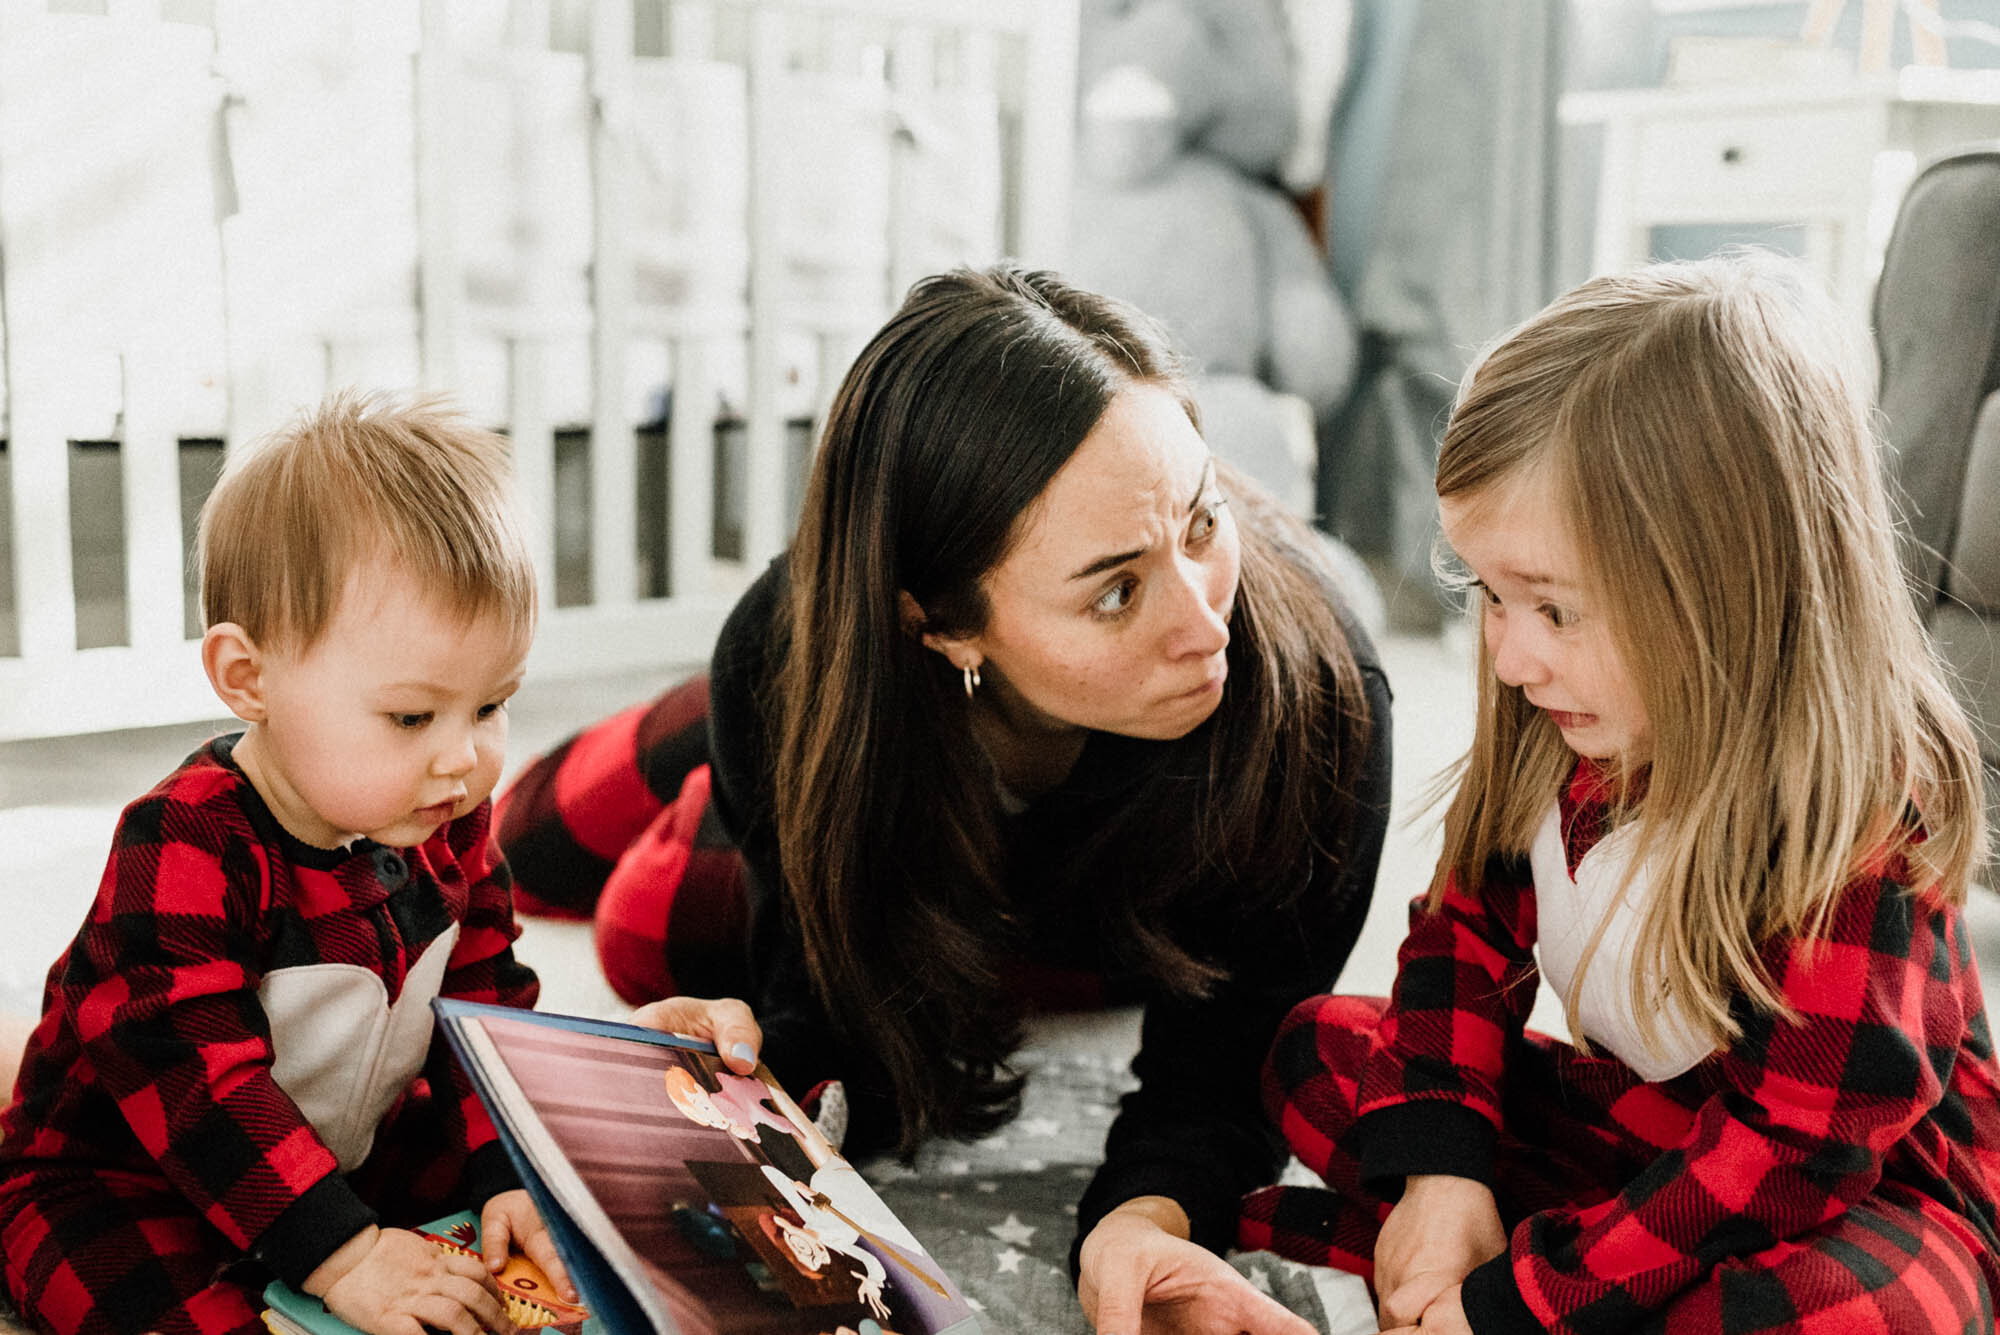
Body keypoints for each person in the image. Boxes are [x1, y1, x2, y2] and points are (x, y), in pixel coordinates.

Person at [496, 263, 1394, 1332]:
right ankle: (695, 741)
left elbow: (1225, 1064)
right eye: (1115, 591)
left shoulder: (1317, 702)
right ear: (941, 623)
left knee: (701, 939)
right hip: (858, 713)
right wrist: (749, 1070)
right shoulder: (786, 661)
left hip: (1084, 874)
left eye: (1202, 525)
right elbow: (832, 1012)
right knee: (572, 874)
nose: (1205, 628)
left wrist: (1143, 1224)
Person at [1243, 255, 2000, 1334]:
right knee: (1316, 1048)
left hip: (1862, 1199)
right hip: (1655, 1143)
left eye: (1552, 610)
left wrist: (1525, 1299)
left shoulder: (1860, 812)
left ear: (1726, 589)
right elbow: (1460, 950)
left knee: (1853, 1316)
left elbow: (1793, 1153)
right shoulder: (1566, 730)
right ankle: (1548, 1270)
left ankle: (1539, 1285)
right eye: (1486, 595)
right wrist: (1442, 1181)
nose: (1508, 657)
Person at [0, 394, 573, 1335]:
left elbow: (484, 1004)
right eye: (411, 716)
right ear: (248, 677)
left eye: (491, 705)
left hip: (339, 1151)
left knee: (546, 1194)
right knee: (162, 1302)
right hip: (126, 1171)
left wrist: (501, 1172)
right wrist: (343, 1252)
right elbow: (199, 1090)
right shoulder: (185, 842)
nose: (462, 756)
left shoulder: (444, 815)